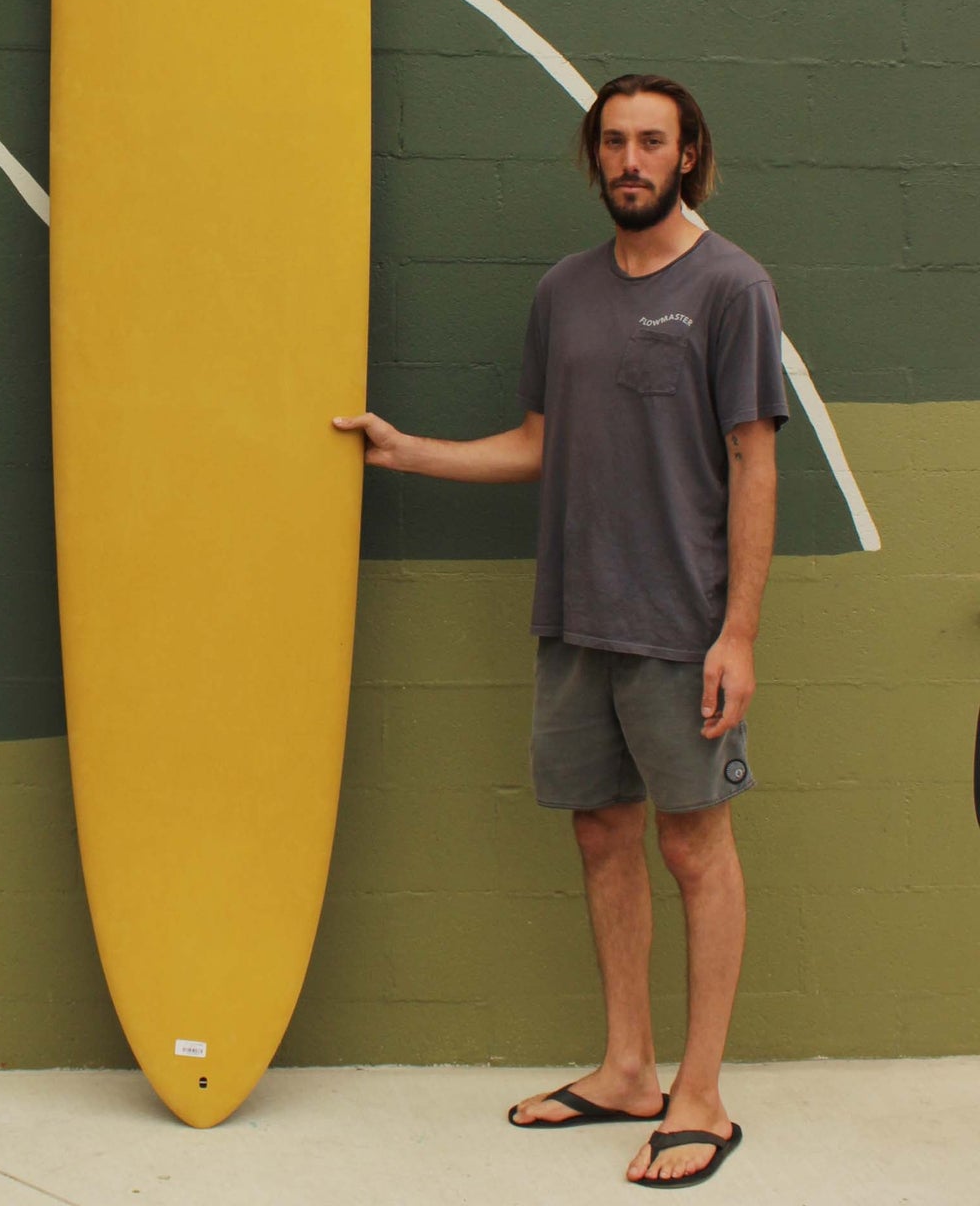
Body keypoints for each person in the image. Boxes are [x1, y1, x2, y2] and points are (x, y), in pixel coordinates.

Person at [336, 73, 786, 1189]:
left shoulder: (732, 286)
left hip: (683, 624)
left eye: (653, 141)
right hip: (578, 613)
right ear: (596, 157)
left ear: (688, 155)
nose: (631, 160)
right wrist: (408, 452)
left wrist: (738, 633)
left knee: (695, 846)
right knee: (601, 832)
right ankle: (629, 1069)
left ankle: (701, 1094)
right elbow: (539, 442)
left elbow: (755, 461)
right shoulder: (563, 292)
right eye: (614, 141)